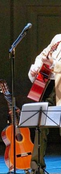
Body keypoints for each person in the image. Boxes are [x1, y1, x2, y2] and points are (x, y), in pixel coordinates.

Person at [28, 34, 61, 174]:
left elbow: (53, 63)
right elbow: (42, 57)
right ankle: (36, 167)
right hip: (48, 87)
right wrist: (35, 69)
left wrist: (53, 63)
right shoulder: (57, 39)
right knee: (40, 125)